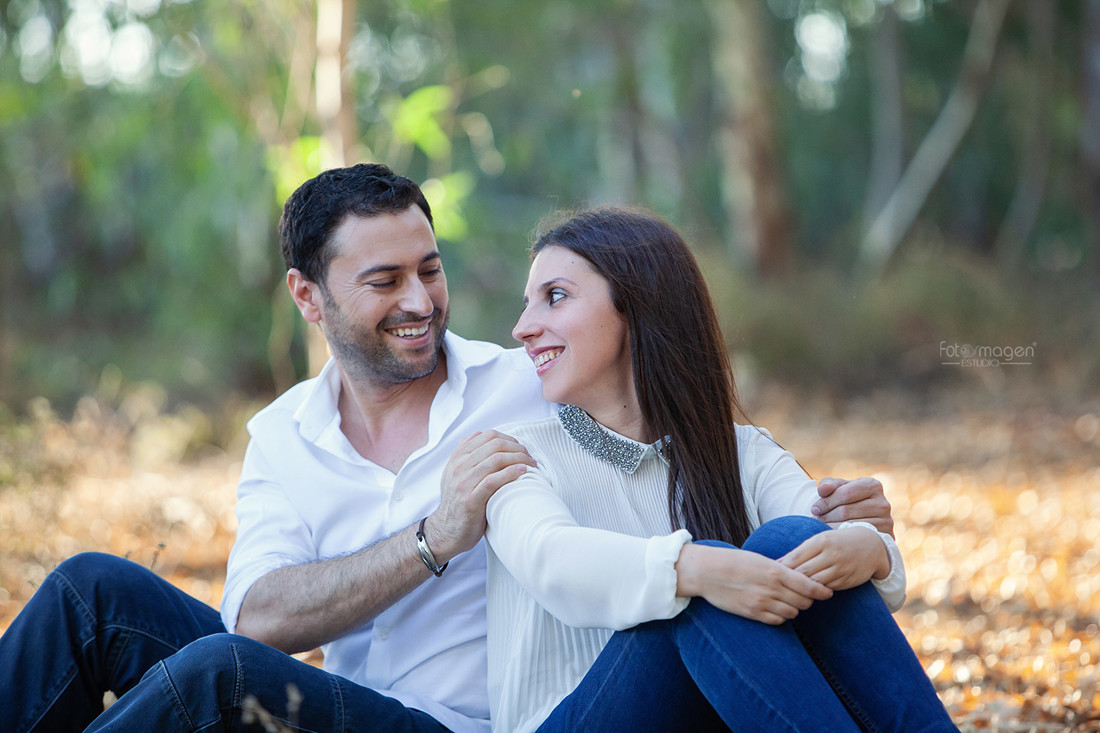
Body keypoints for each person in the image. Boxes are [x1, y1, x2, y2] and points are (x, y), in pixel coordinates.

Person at [0, 165, 897, 733]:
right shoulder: (284, 435)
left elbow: (669, 421)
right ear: (308, 299)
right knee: (92, 592)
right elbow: (260, 617)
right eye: (384, 280)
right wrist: (435, 536)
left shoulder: (528, 380)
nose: (422, 300)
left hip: (474, 720)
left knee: (214, 676)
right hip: (347, 706)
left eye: (429, 268)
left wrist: (847, 521)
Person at [484, 207, 957, 732]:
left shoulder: (741, 451)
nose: (523, 328)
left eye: (555, 296)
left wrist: (867, 546)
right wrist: (697, 569)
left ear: (636, 304)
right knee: (697, 587)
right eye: (527, 304)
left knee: (792, 537)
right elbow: (552, 562)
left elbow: (821, 535)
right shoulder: (513, 456)